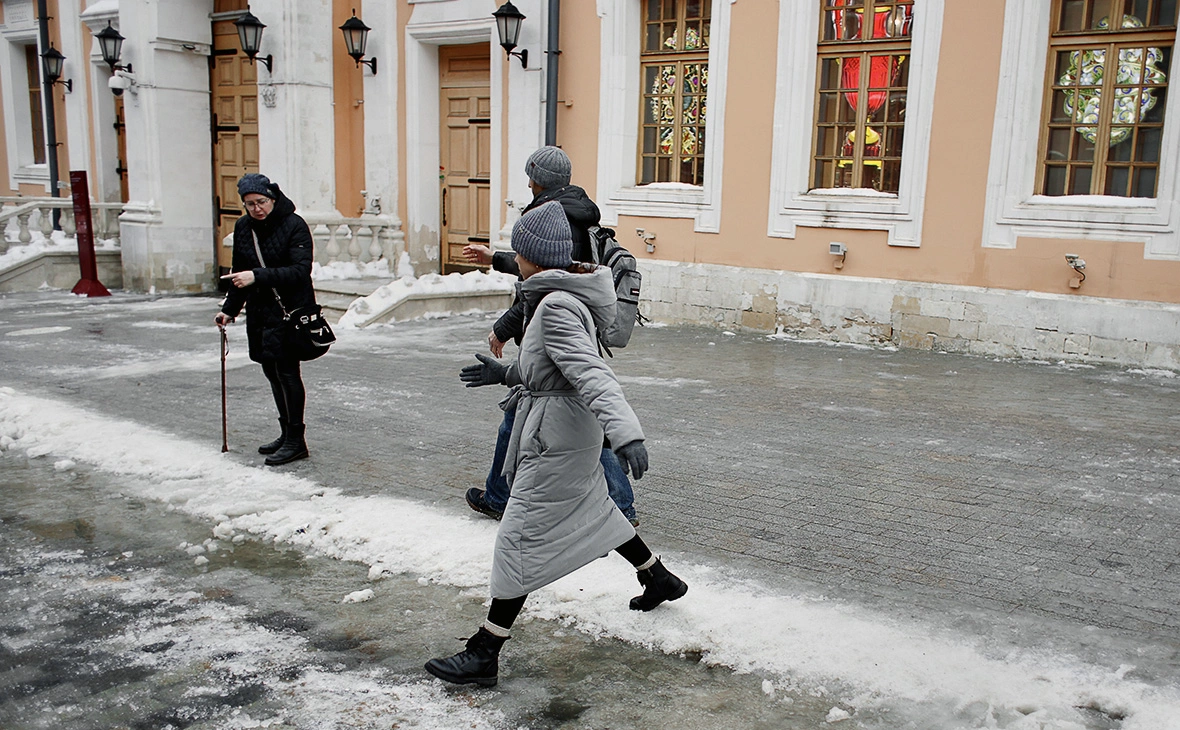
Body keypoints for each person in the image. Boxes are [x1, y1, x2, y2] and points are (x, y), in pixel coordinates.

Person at [425, 201, 687, 687]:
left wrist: (626, 432)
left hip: (556, 439)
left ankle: (485, 651)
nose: (515, 258)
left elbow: (590, 372)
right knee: (598, 510)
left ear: (530, 256)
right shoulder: (562, 295)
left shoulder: (555, 305)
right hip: (567, 430)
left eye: (518, 251)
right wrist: (505, 372)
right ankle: (659, 578)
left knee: (516, 539)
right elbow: (555, 368)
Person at [462, 146, 638, 525]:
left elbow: (539, 284)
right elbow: (536, 266)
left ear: (537, 178)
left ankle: (619, 507)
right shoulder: (573, 212)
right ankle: (499, 493)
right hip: (566, 334)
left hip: (557, 335)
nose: (527, 181)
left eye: (529, 175)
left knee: (577, 412)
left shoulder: (556, 223)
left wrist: (628, 435)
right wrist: (494, 259)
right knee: (531, 409)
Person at [214, 173, 315, 466]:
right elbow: (239, 273)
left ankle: (297, 440)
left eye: (261, 202)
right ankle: (286, 434)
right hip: (260, 314)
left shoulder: (294, 225)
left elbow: (300, 270)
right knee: (271, 372)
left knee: (287, 373)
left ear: (273, 198)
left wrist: (257, 276)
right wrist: (229, 310)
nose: (257, 209)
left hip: (290, 312)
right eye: (250, 204)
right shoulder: (244, 227)